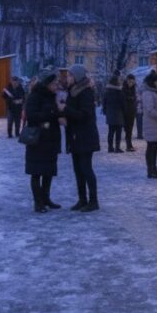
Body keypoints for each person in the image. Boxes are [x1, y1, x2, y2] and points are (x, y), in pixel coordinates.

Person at [24, 69, 63, 213]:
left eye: (57, 83)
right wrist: (51, 114)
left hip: (51, 139)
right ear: (46, 83)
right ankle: (38, 202)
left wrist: (60, 112)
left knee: (48, 171)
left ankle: (46, 199)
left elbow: (54, 114)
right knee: (36, 172)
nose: (56, 86)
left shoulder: (52, 96)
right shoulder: (35, 96)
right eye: (54, 83)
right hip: (38, 140)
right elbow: (31, 116)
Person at [63, 64, 100, 212]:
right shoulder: (73, 91)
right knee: (78, 170)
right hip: (75, 136)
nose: (67, 78)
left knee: (86, 169)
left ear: (76, 77)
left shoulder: (85, 92)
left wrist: (65, 110)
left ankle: (93, 201)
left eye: (70, 75)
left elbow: (85, 114)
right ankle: (82, 199)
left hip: (85, 136)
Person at [140, 71, 157, 179]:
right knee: (151, 147)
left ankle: (154, 169)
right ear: (153, 82)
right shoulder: (147, 93)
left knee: (155, 147)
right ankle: (150, 170)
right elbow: (150, 109)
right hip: (152, 124)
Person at [102, 76, 126, 152]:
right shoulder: (120, 93)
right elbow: (123, 105)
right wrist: (124, 113)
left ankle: (110, 148)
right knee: (118, 132)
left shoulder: (107, 92)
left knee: (111, 132)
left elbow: (104, 104)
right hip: (119, 114)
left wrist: (106, 112)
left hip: (110, 114)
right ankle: (117, 148)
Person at [122, 74, 138, 152]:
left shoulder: (133, 88)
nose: (131, 83)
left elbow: (134, 98)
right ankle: (128, 145)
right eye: (130, 81)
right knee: (127, 129)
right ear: (127, 80)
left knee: (130, 129)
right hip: (126, 112)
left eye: (132, 81)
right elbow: (124, 99)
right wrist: (131, 98)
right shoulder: (124, 88)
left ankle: (129, 144)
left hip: (132, 111)